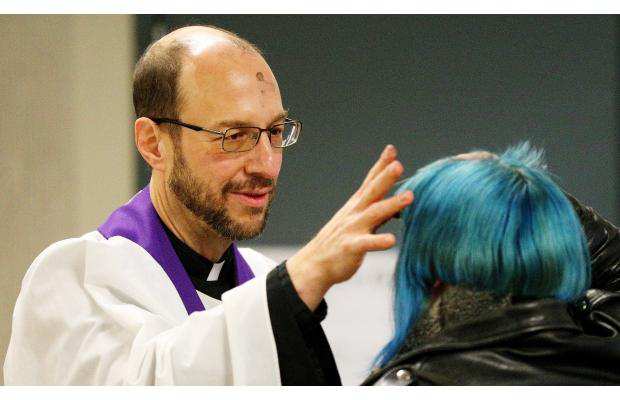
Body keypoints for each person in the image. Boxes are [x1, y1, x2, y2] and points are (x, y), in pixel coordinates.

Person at [4, 26, 413, 385]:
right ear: (153, 144)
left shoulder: (261, 277)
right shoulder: (73, 278)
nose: (266, 165)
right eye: (233, 135)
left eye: (274, 131)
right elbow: (146, 381)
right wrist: (297, 282)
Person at [363, 143, 620, 385]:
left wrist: (320, 272)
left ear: (430, 270)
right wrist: (524, 197)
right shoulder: (605, 349)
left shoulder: (417, 384)